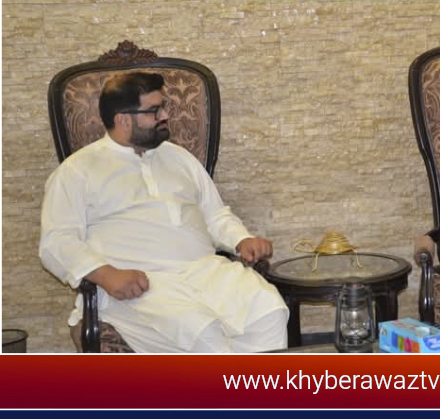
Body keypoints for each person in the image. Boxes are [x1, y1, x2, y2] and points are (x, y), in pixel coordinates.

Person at [40, 72, 289, 353]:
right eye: (154, 110)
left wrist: (241, 240)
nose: (166, 115)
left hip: (206, 272)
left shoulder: (179, 157)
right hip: (143, 285)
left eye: (164, 107)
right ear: (123, 119)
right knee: (202, 333)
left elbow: (215, 214)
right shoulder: (77, 171)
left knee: (269, 310)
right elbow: (56, 242)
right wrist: (106, 275)